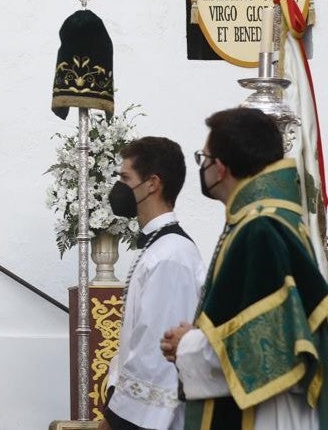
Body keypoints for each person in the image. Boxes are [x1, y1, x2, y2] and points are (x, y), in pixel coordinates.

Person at [161, 108, 328, 429]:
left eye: (203, 157)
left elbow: (266, 352)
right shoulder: (275, 219)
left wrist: (186, 344)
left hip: (265, 414)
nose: (203, 167)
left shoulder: (257, 229)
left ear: (220, 168)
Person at [99, 137, 205, 430]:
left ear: (152, 184)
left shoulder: (171, 255)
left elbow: (156, 356)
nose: (119, 187)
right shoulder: (158, 248)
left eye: (125, 178)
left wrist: (114, 422)